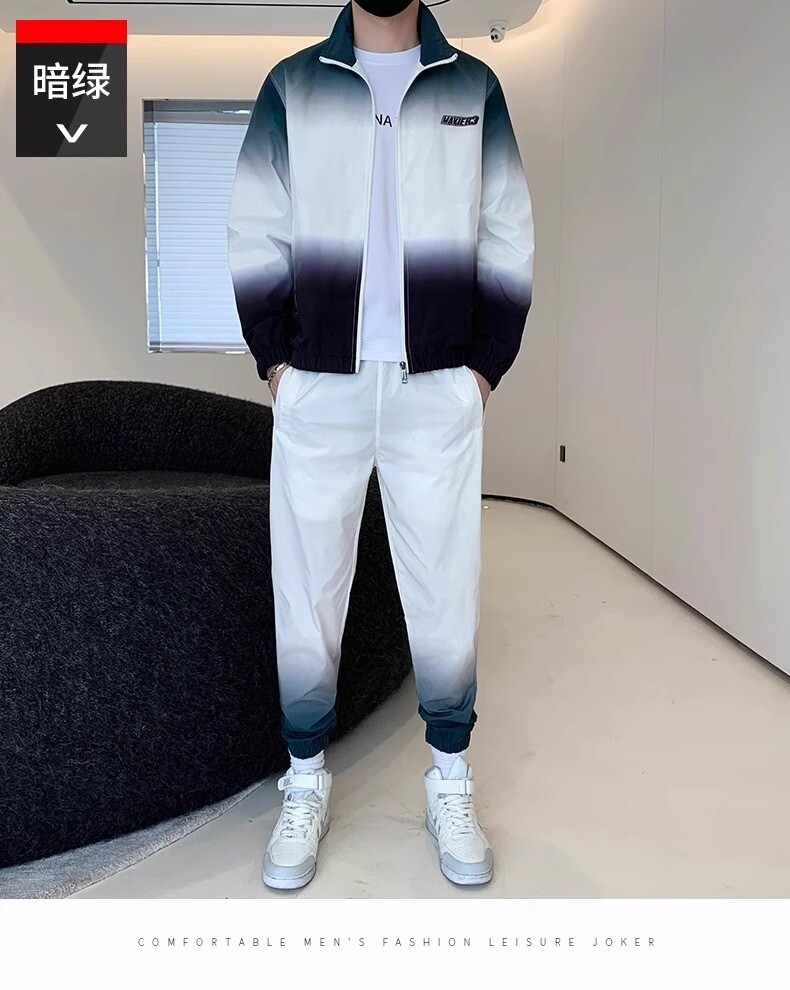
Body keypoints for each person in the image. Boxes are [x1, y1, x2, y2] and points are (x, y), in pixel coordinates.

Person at [227, 0, 534, 890]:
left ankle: (449, 778)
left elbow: (509, 233)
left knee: (445, 583)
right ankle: (304, 779)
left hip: (436, 385)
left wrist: (481, 372)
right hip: (319, 382)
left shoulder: (472, 86)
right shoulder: (293, 85)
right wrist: (278, 364)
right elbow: (255, 228)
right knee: (307, 584)